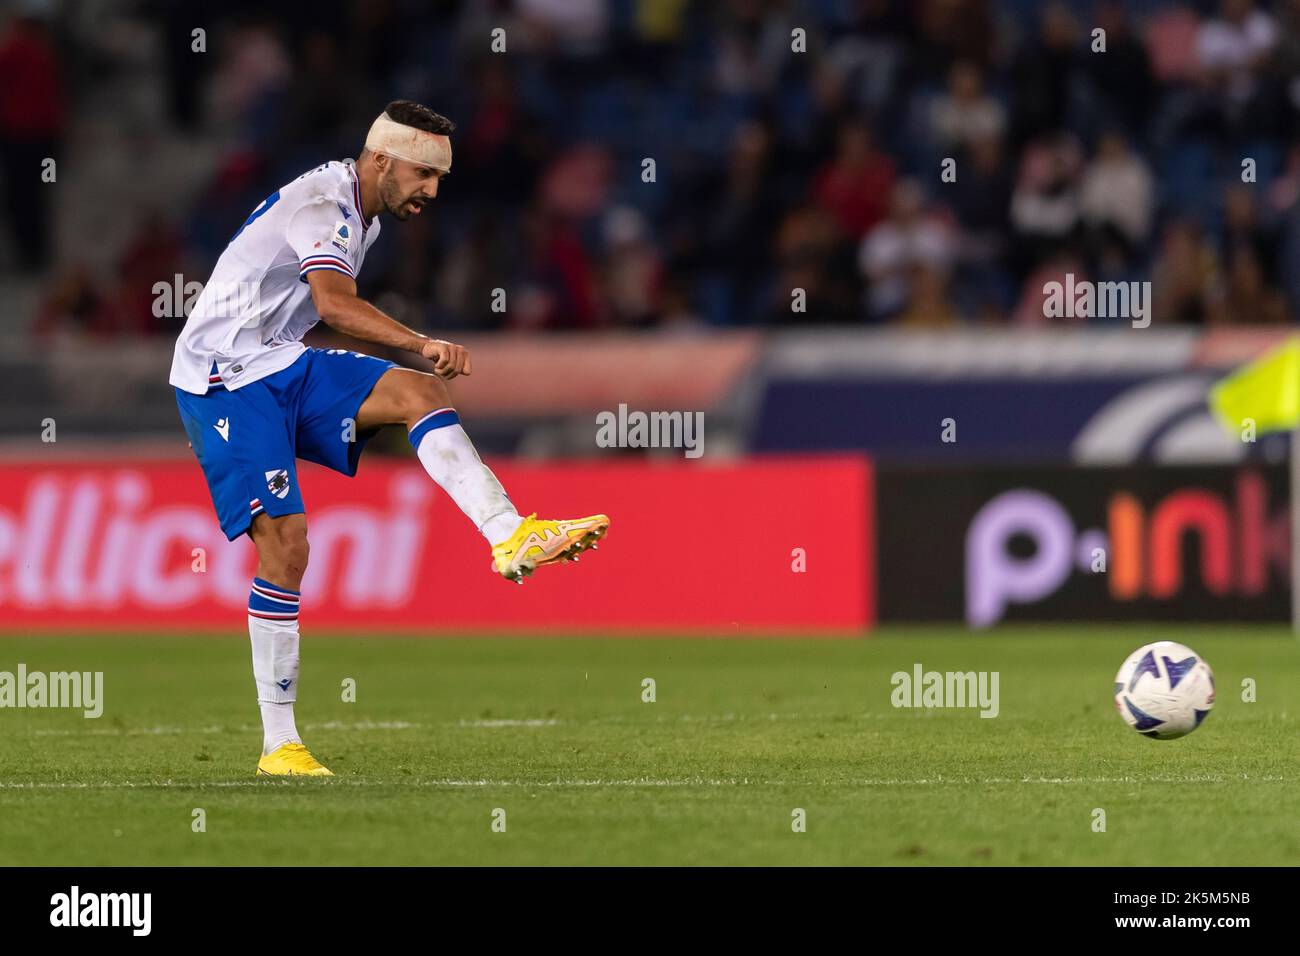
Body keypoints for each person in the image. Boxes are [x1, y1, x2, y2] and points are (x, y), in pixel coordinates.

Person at [170, 101, 609, 777]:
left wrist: (412, 357)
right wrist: (420, 340)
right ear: (382, 159)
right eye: (424, 173)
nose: (433, 190)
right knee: (288, 548)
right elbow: (334, 306)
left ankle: (508, 534)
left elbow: (318, 312)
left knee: (417, 391)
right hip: (222, 380)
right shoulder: (326, 208)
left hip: (279, 361)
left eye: (440, 177)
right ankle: (278, 746)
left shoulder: (361, 211)